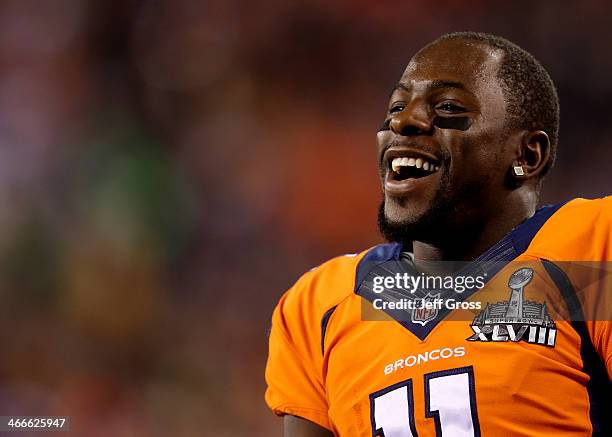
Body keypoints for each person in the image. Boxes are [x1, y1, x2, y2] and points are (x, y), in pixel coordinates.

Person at [264, 32, 611, 436]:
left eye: (447, 107)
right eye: (396, 106)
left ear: (526, 155)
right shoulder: (318, 304)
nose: (402, 121)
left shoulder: (593, 246)